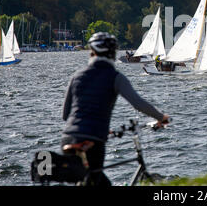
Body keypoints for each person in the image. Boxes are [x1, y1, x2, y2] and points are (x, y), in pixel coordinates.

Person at [61, 32, 169, 186]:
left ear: (92, 52)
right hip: (92, 141)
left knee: (89, 181)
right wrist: (161, 117)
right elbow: (138, 103)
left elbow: (66, 115)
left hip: (68, 138)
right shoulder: (114, 76)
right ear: (113, 54)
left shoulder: (77, 76)